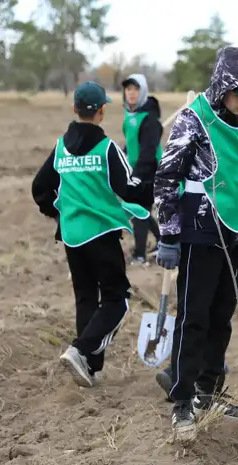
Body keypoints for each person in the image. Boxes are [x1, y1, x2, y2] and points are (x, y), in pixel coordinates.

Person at [152, 46, 238, 441]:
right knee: (194, 318)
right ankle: (182, 403)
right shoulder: (195, 120)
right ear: (223, 86)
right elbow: (165, 178)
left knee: (223, 315)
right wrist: (170, 235)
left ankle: (209, 392)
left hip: (235, 229)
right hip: (198, 229)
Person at [31, 81, 150, 388]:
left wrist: (57, 213)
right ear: (101, 112)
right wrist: (156, 189)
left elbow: (40, 187)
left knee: (86, 298)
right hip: (102, 234)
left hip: (72, 235)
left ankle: (90, 368)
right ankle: (80, 349)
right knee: (117, 299)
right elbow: (129, 190)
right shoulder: (107, 148)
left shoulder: (60, 147)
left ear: (74, 110)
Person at [121, 73, 163, 266]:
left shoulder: (150, 118)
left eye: (136, 89)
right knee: (141, 210)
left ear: (143, 91)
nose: (131, 93)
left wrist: (137, 175)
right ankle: (163, 240)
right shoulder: (131, 114)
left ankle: (139, 256)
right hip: (135, 170)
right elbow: (132, 144)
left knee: (138, 210)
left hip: (149, 171)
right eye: (128, 89)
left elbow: (148, 151)